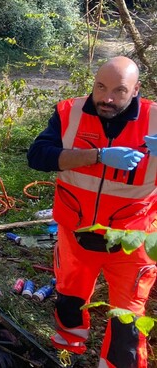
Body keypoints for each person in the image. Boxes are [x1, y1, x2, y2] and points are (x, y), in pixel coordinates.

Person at [27, 56, 157, 368]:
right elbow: (38, 156)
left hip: (131, 242)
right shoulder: (70, 113)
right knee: (70, 301)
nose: (107, 98)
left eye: (119, 91)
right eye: (100, 87)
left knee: (127, 323)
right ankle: (66, 352)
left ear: (136, 90)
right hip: (77, 234)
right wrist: (96, 156)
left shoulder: (154, 119)